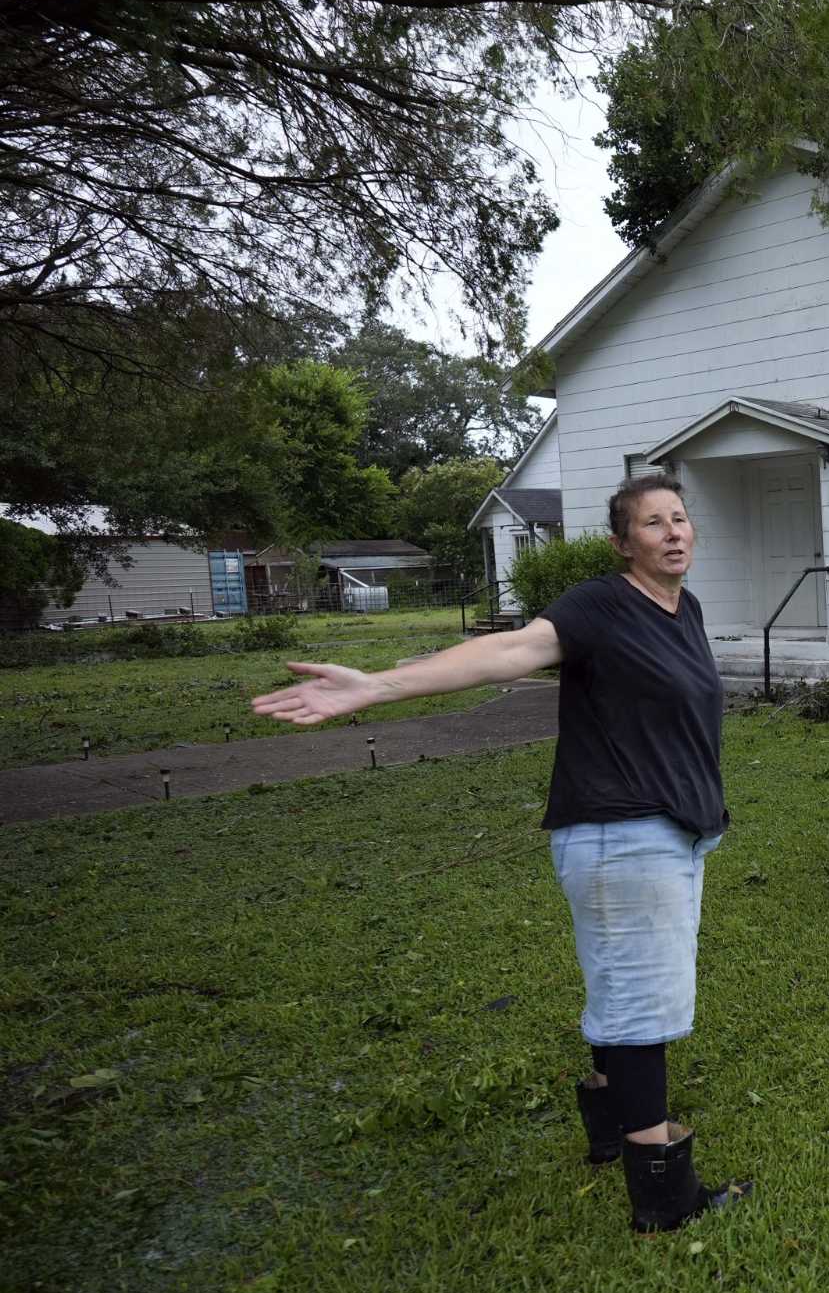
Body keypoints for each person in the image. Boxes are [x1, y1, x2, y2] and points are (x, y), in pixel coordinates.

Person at [250, 474, 748, 1233]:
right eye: (653, 523)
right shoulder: (600, 604)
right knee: (643, 1007)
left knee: (621, 982)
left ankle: (610, 1131)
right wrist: (377, 686)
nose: (674, 532)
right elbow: (510, 650)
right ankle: (666, 1197)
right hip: (625, 835)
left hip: (664, 831)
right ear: (622, 542)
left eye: (680, 518)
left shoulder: (685, 610)